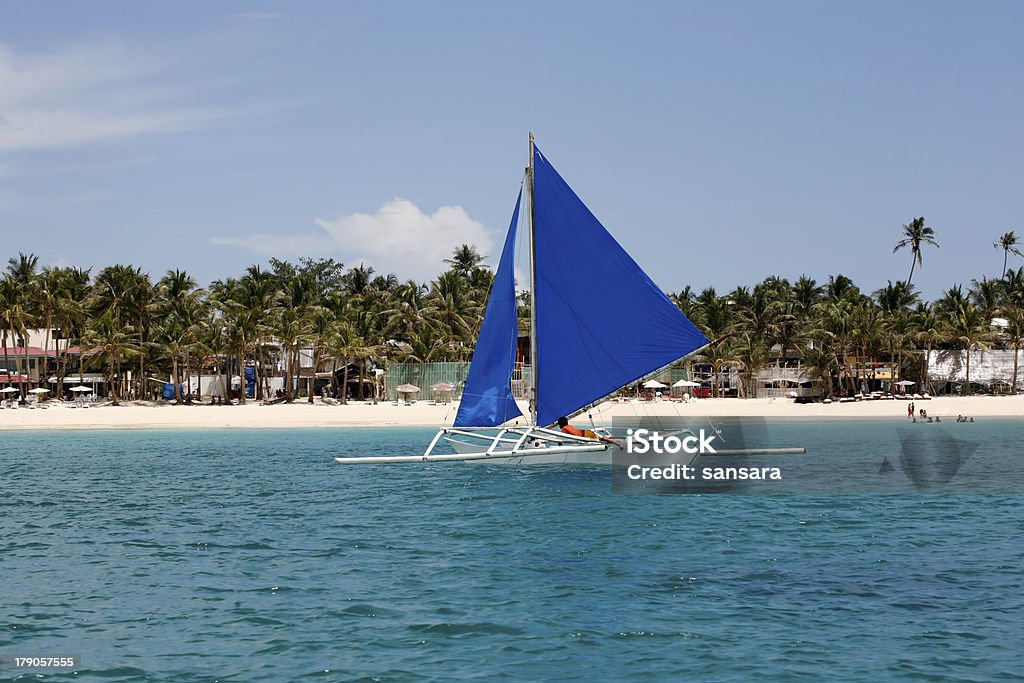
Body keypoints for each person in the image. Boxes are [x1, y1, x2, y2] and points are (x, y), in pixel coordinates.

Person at [557, 417, 623, 448]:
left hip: (586, 435)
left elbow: (561, 437)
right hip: (585, 433)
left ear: (560, 424)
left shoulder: (564, 429)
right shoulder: (568, 426)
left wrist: (559, 443)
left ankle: (618, 444)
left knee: (602, 439)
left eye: (559, 424)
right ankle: (608, 437)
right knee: (600, 438)